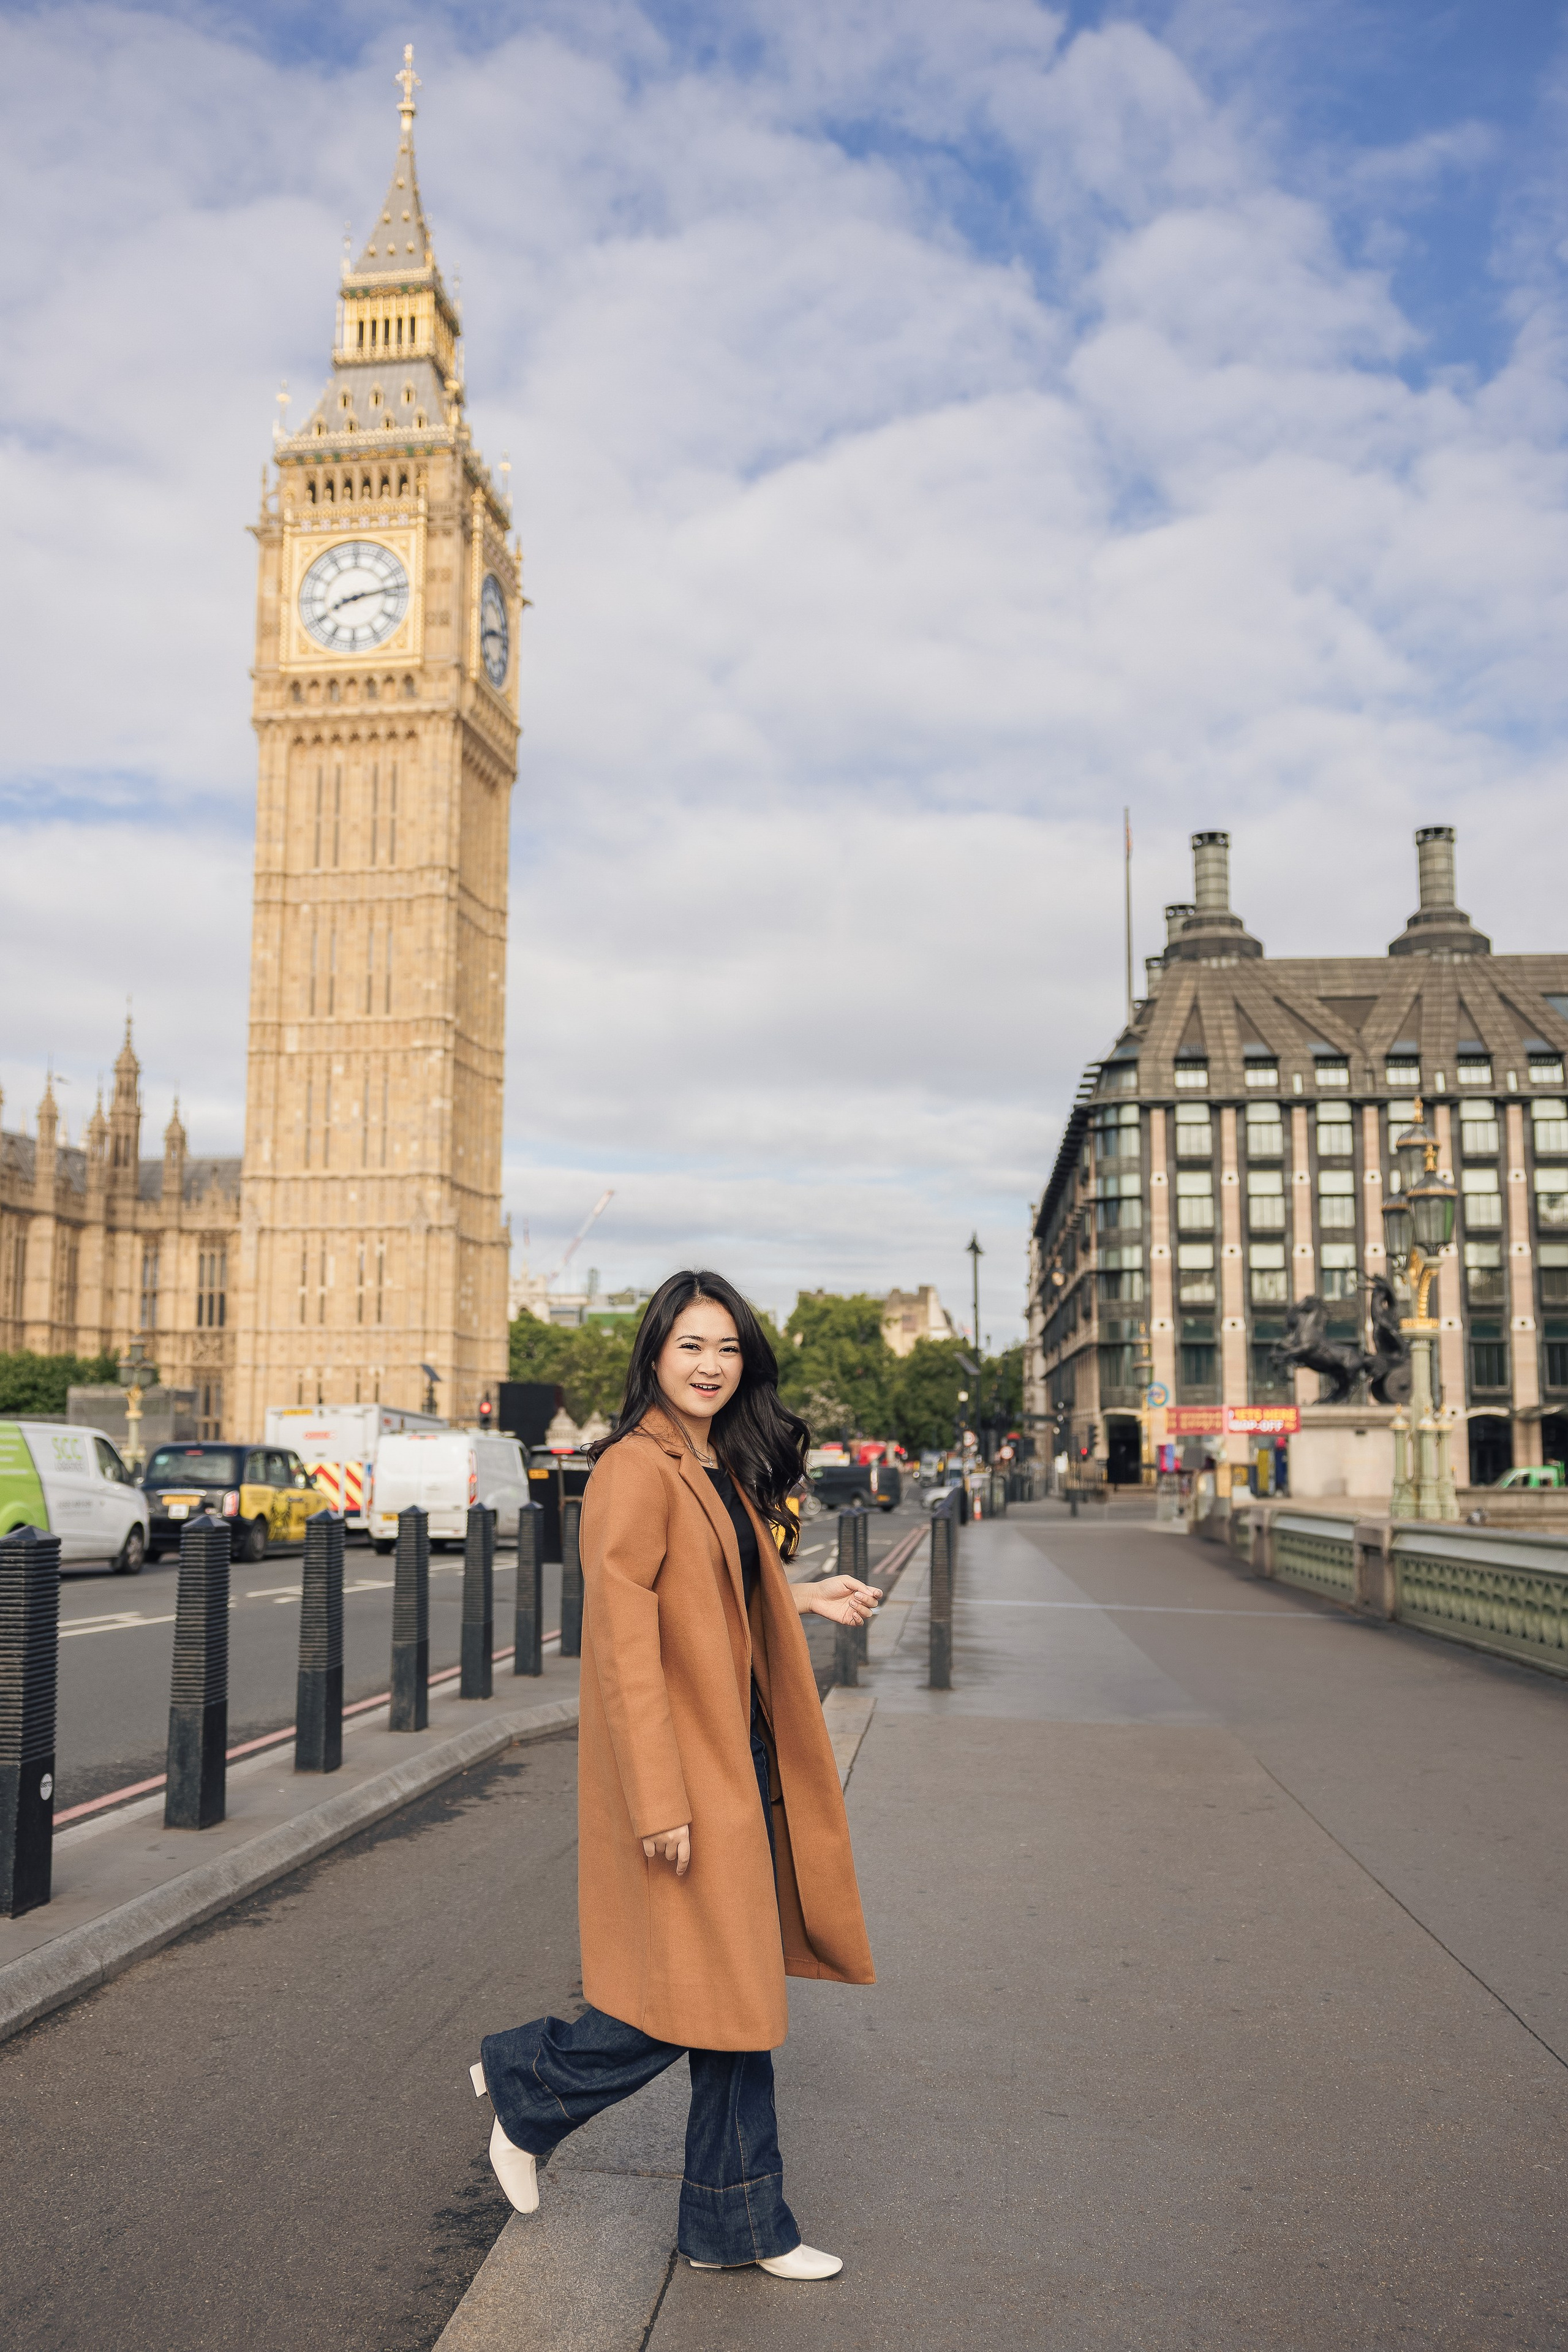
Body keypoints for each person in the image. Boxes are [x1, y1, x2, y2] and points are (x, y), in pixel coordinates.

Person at [471, 1269, 880, 2280]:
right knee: (713, 1992)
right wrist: (659, 1799)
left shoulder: (713, 1459)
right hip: (689, 1771)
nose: (711, 1365)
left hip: (741, 1755)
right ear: (654, 1352)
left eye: (728, 1348)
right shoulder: (634, 1468)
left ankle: (735, 2227)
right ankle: (530, 2088)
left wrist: (802, 1595)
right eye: (692, 1345)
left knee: (734, 2003)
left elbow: (714, 1588)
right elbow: (624, 1645)